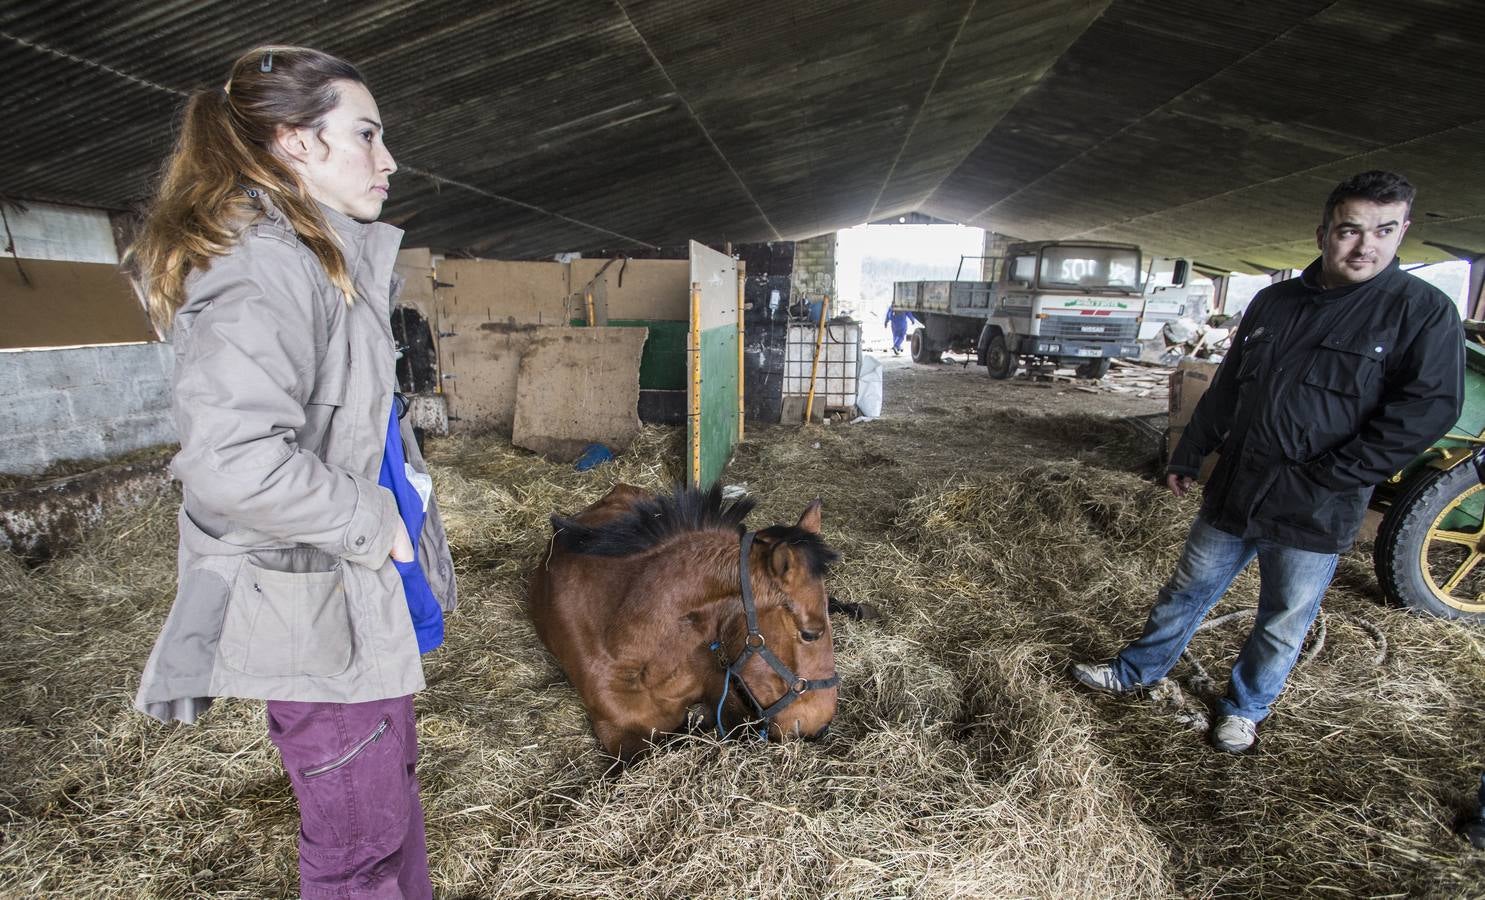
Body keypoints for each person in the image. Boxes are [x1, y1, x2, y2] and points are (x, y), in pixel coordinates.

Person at [128, 46, 457, 897]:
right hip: (317, 608)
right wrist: (374, 520)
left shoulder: (317, 259)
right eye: (366, 133)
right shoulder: (261, 264)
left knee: (390, 817)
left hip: (353, 597)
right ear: (293, 142)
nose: (387, 160)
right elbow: (228, 461)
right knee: (358, 849)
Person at [1071, 171, 1464, 753]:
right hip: (1240, 483)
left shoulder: (1421, 312)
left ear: (1403, 230)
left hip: (1318, 502)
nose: (1365, 246)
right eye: (1350, 230)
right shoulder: (1273, 302)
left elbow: (1426, 410)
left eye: (1384, 230)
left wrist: (1336, 475)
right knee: (1186, 589)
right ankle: (1136, 672)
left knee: (1283, 616)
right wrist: (1190, 449)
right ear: (1323, 232)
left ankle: (1244, 709)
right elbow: (1229, 385)